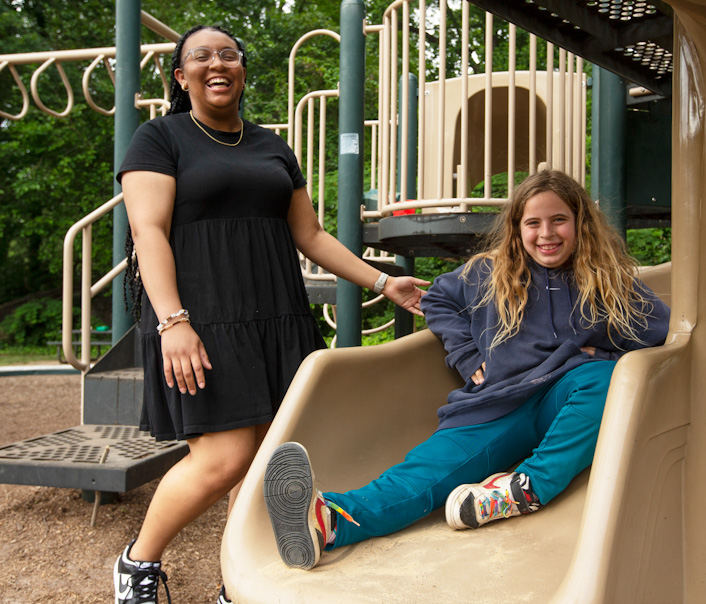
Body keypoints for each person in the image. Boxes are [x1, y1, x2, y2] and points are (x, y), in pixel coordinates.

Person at [113, 25, 428, 604]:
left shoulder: (272, 146)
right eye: (201, 57)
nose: (217, 64)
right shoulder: (159, 138)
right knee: (223, 459)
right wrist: (173, 323)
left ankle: (238, 581)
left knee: (263, 461)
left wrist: (383, 280)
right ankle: (137, 563)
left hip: (278, 317)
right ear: (181, 77)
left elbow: (308, 233)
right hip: (202, 319)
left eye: (228, 55)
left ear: (242, 70)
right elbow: (147, 232)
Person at [263, 169, 671, 571]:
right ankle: (330, 521)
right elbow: (438, 298)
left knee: (602, 379)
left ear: (580, 224)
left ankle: (527, 487)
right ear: (517, 228)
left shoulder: (608, 281)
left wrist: (605, 352)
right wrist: (466, 354)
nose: (546, 233)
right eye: (533, 223)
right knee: (422, 478)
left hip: (562, 401)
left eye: (559, 220)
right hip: (493, 406)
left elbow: (664, 332)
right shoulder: (487, 274)